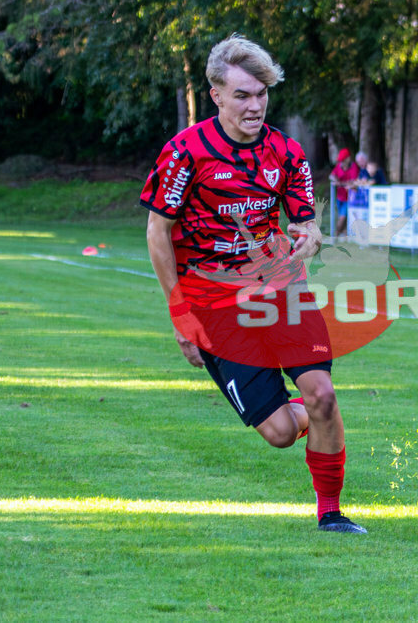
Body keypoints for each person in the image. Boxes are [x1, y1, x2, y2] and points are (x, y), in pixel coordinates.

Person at [141, 34, 366, 534]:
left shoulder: (285, 152)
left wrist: (308, 238)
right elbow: (158, 231)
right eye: (242, 95)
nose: (255, 105)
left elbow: (306, 223)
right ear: (216, 95)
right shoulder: (185, 153)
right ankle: (304, 414)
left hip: (281, 290)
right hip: (214, 303)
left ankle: (330, 513)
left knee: (324, 394)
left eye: (261, 94)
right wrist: (179, 313)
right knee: (281, 432)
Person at [331, 148, 359, 236]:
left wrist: (340, 183)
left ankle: (335, 235)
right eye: (341, 160)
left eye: (343, 160)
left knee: (342, 218)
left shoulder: (354, 167)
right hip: (340, 197)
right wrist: (335, 179)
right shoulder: (339, 166)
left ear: (348, 159)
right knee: (343, 218)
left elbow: (353, 182)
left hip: (349, 198)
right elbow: (331, 176)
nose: (342, 162)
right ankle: (344, 236)